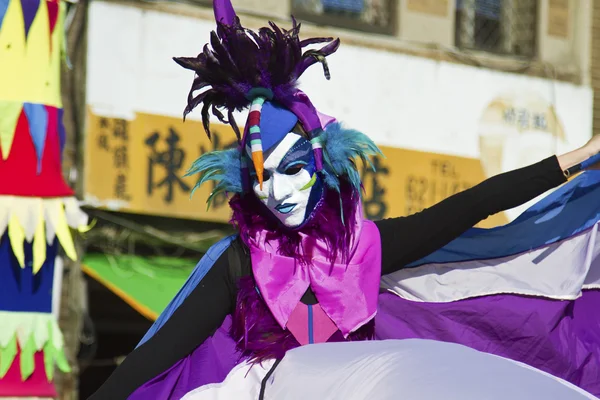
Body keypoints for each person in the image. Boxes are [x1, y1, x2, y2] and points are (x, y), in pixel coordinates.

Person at [89, 1, 600, 398]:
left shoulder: (368, 245)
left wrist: (580, 154)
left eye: (292, 171)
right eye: (260, 177)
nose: (276, 192)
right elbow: (153, 360)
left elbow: (471, 205)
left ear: (320, 163)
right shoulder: (240, 259)